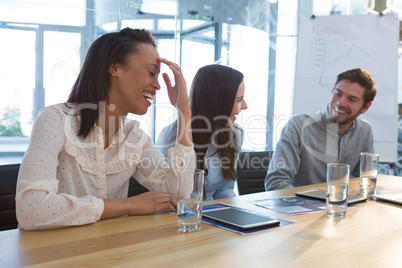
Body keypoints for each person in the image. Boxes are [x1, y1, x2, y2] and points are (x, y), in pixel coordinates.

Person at [15, 28, 195, 230]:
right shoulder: (54, 120)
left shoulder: (134, 136)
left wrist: (184, 110)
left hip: (112, 250)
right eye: (152, 73)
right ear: (115, 68)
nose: (157, 85)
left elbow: (181, 195)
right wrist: (128, 205)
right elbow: (31, 210)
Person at [265, 68, 376, 191]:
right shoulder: (298, 126)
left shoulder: (364, 130)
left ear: (365, 107)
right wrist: (311, 207)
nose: (341, 103)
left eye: (351, 99)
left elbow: (366, 180)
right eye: (338, 94)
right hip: (301, 207)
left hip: (342, 207)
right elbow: (276, 182)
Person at [156, 64, 248, 200]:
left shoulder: (235, 134)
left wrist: (234, 212)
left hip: (210, 214)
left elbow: (224, 190)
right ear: (217, 102)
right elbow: (173, 195)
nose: (245, 106)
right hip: (179, 214)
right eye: (239, 100)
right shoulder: (172, 136)